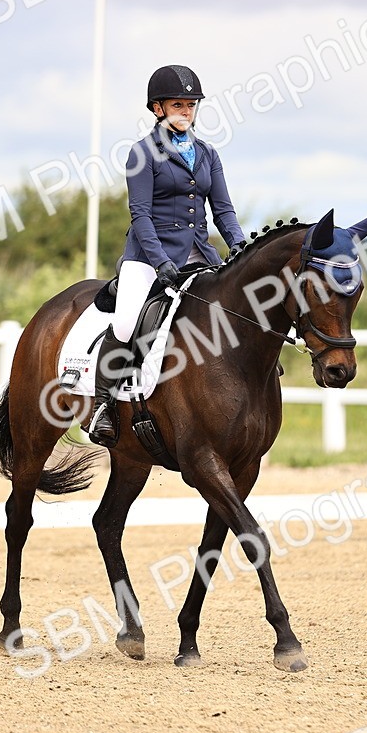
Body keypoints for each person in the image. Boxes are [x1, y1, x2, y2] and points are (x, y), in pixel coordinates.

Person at [89, 64, 248, 447]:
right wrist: (160, 263)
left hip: (200, 255)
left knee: (234, 310)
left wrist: (239, 246)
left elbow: (223, 210)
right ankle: (102, 405)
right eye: (178, 104)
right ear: (158, 108)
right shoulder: (142, 153)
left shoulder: (208, 154)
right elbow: (140, 215)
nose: (186, 111)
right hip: (148, 258)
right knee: (127, 323)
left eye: (191, 105)